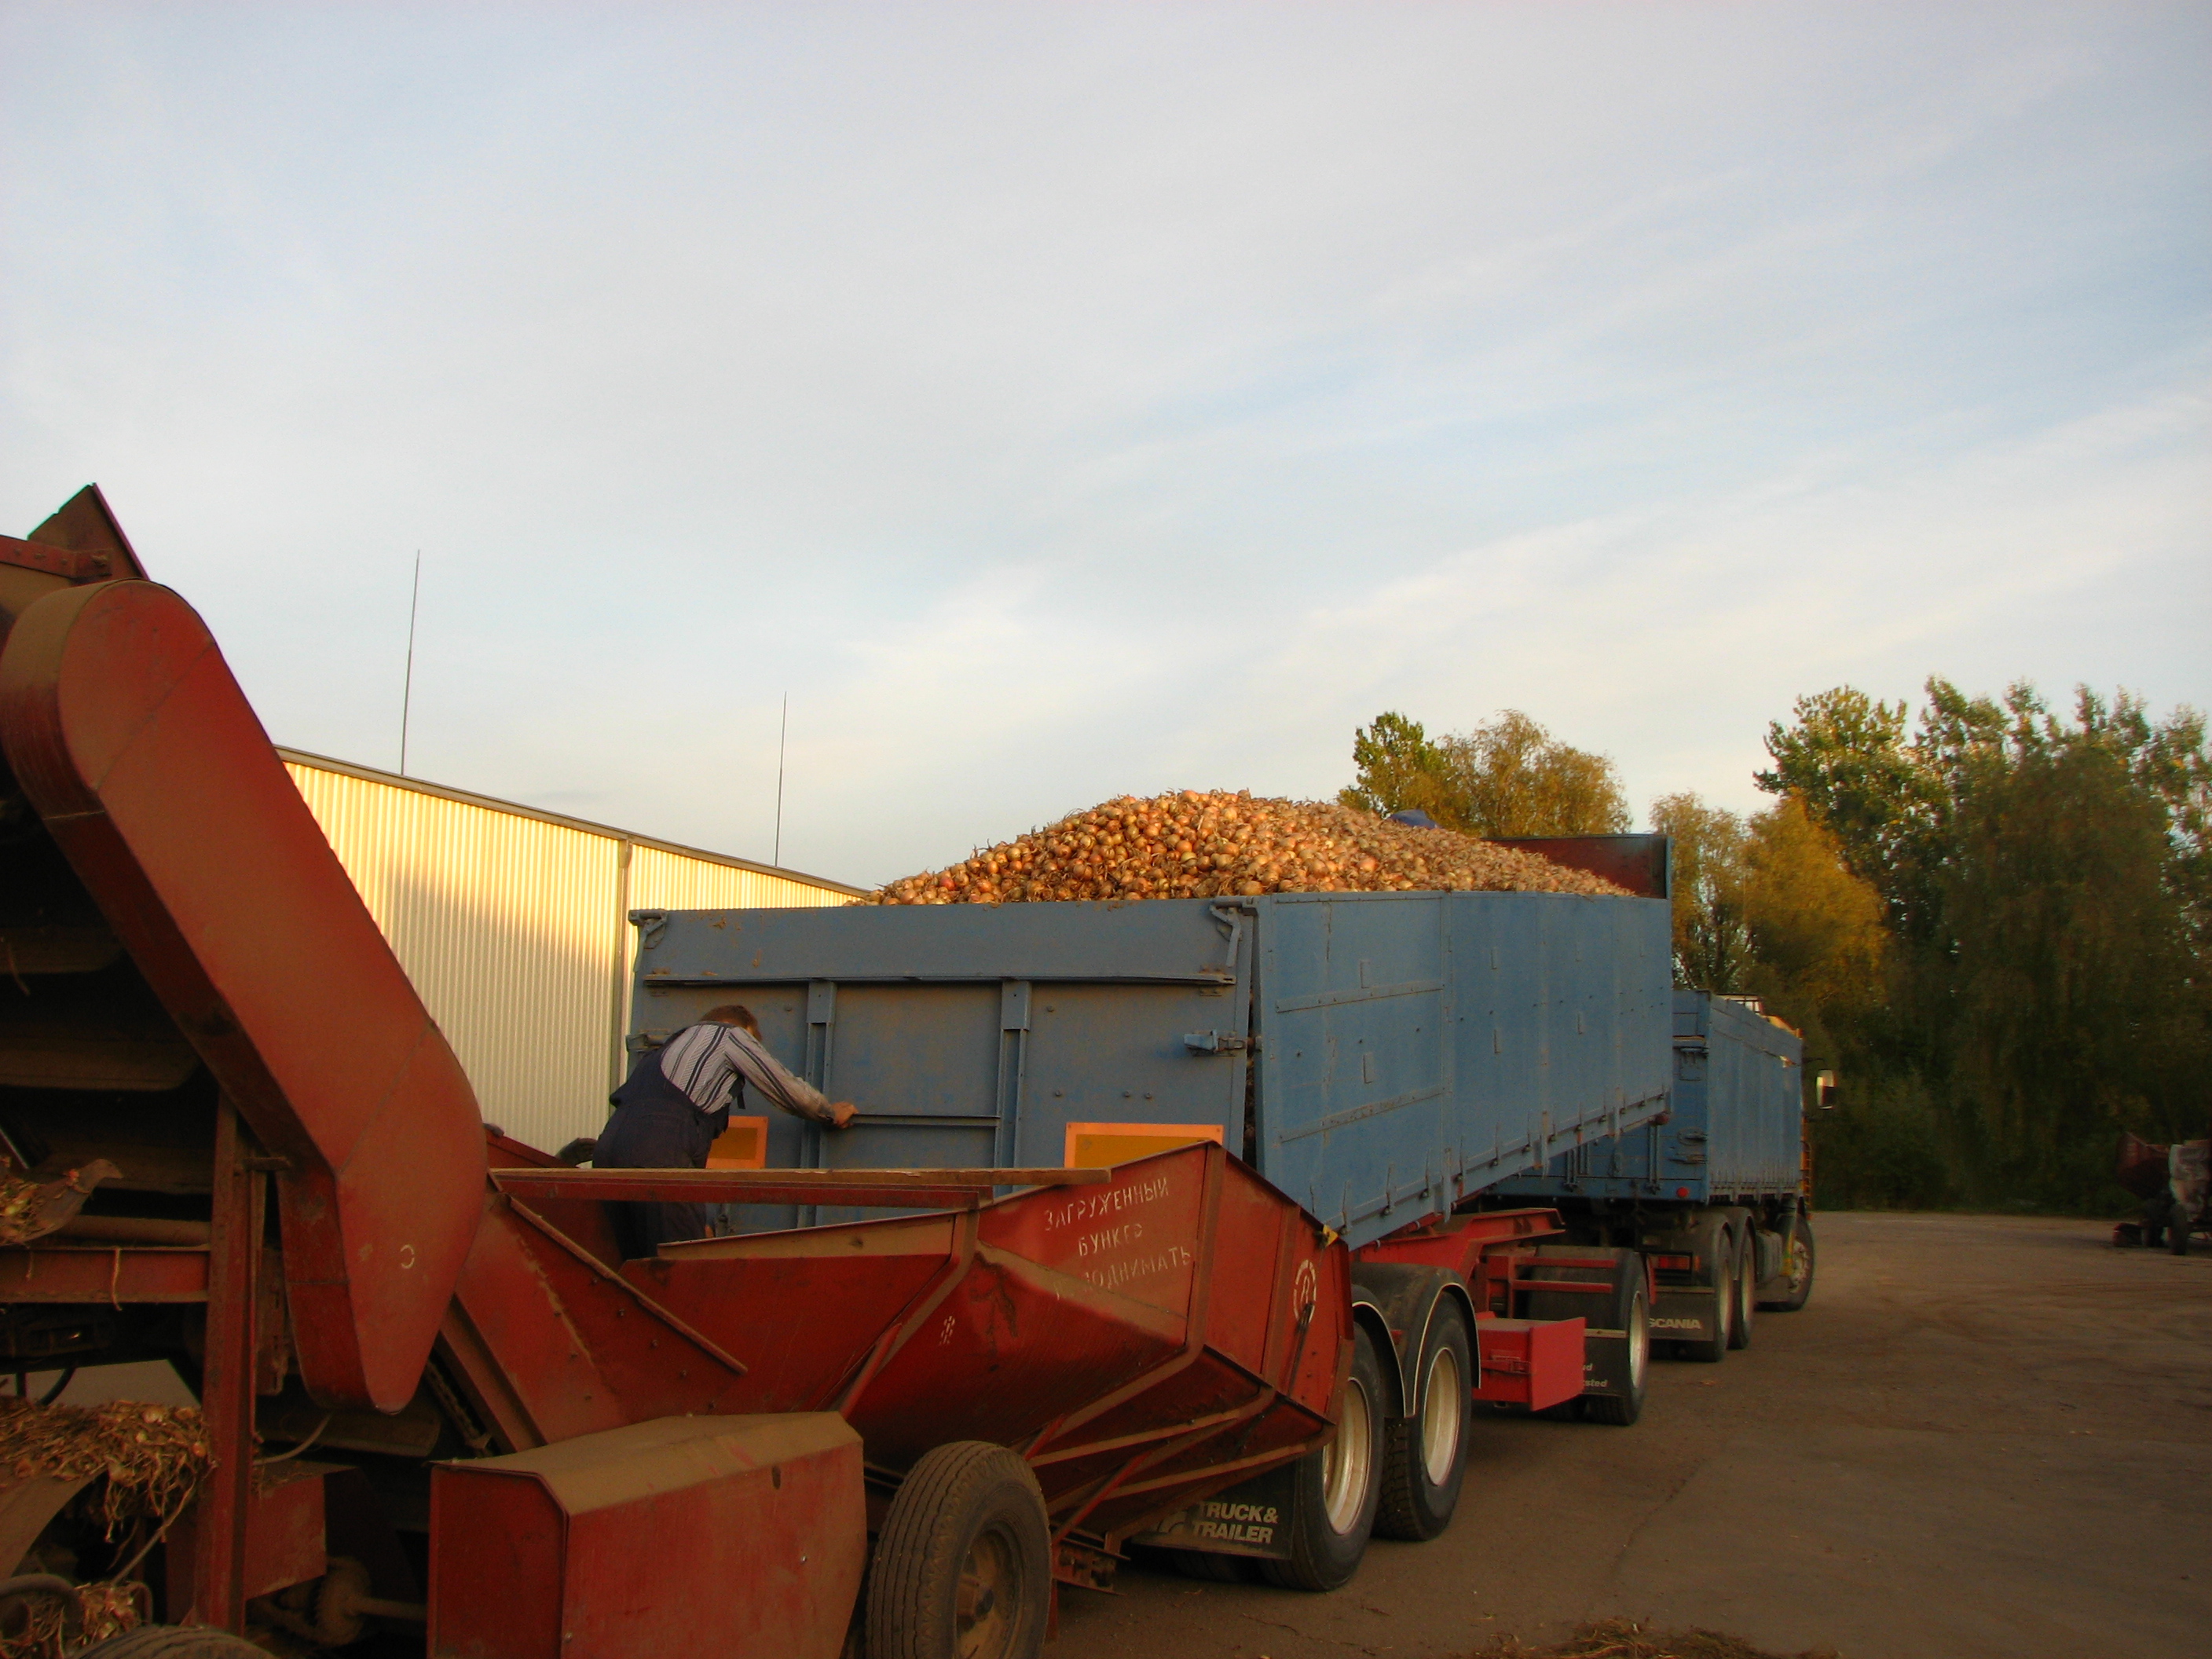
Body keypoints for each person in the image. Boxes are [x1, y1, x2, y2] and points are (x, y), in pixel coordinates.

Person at [595, 1002, 858, 1258]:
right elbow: (785, 1087)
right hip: (657, 1159)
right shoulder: (729, 1035)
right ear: (744, 1030)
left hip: (608, 1154)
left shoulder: (667, 1048)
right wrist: (829, 1113)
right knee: (678, 1265)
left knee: (631, 1263)